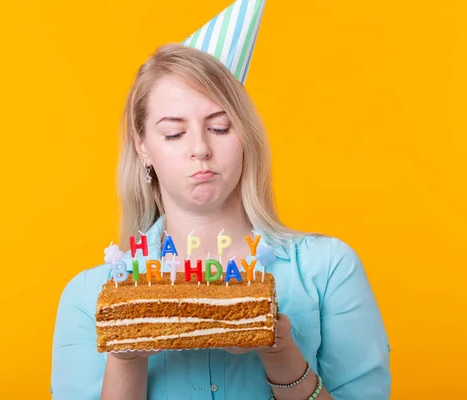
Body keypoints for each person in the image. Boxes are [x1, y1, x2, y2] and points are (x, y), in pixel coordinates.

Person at [51, 1, 391, 399]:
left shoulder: (328, 270)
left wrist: (280, 352)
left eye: (219, 126)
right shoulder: (88, 296)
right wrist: (126, 356)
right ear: (143, 147)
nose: (200, 148)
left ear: (245, 136)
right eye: (174, 134)